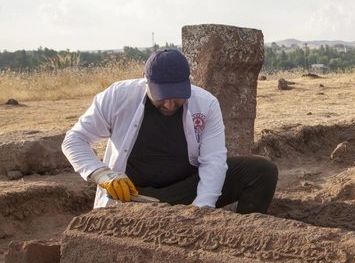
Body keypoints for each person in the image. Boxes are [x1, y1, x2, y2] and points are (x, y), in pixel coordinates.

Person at [62, 49, 278, 214]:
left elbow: (213, 160)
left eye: (177, 96)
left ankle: (242, 237)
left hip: (184, 191)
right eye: (162, 96)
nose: (169, 104)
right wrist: (102, 174)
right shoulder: (118, 97)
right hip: (133, 196)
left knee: (260, 170)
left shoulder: (205, 104)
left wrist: (201, 209)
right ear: (145, 82)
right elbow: (74, 140)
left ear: (188, 83)